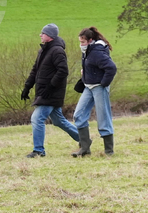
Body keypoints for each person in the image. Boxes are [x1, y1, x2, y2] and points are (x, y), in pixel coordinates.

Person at [22, 23, 78, 158]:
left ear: (50, 36)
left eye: (43, 33)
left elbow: (63, 71)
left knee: (37, 118)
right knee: (59, 121)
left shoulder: (57, 51)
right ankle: (85, 139)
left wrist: (50, 87)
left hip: (51, 93)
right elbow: (35, 70)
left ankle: (38, 150)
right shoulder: (43, 51)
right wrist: (27, 87)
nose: (40, 35)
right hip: (44, 92)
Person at [70, 26, 118, 157]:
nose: (81, 45)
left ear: (90, 40)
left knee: (103, 118)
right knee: (78, 115)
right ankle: (85, 148)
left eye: (83, 42)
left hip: (99, 87)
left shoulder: (97, 52)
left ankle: (109, 151)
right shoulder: (87, 51)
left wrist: (103, 83)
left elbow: (111, 68)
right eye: (80, 42)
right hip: (88, 86)